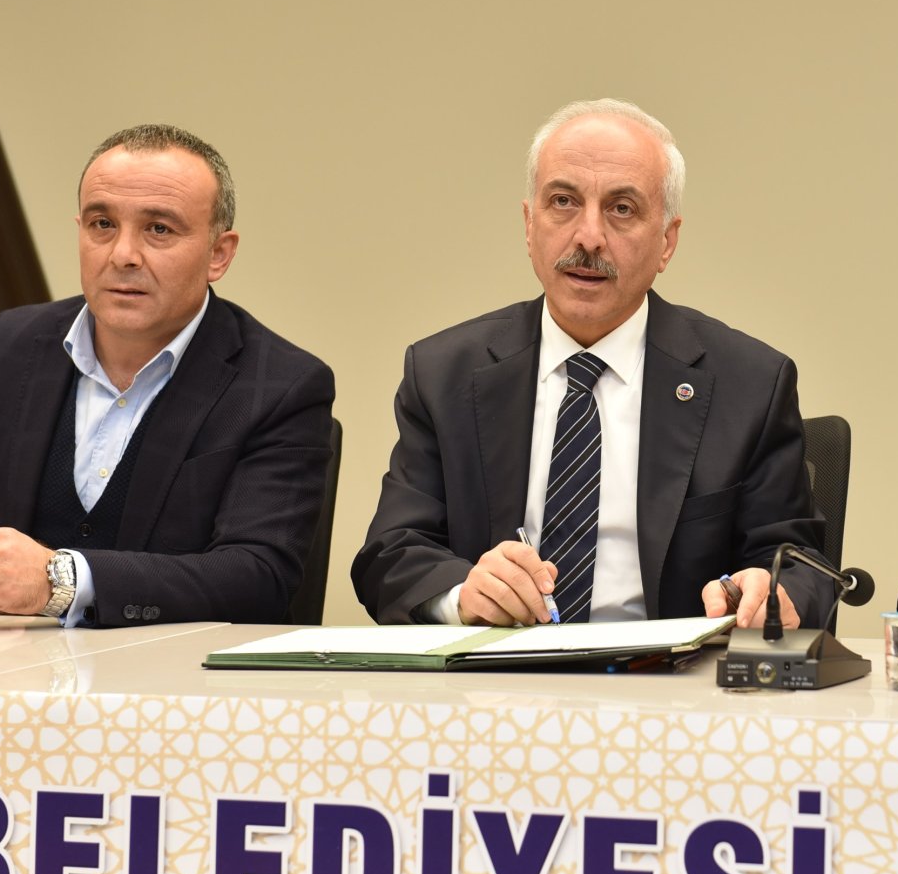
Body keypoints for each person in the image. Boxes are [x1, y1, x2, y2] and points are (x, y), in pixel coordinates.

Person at [353, 98, 834, 628]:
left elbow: (802, 568)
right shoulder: (444, 374)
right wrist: (463, 595)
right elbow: (391, 554)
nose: (588, 237)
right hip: (495, 671)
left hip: (669, 675)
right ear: (529, 225)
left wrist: (769, 591)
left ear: (667, 242)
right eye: (563, 201)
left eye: (622, 208)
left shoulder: (750, 384)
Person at [0, 124, 336, 626]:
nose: (123, 254)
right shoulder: (13, 343)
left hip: (175, 672)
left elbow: (257, 575)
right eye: (102, 224)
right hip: (4, 663)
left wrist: (63, 581)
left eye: (159, 229)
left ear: (219, 254)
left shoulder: (281, 385)